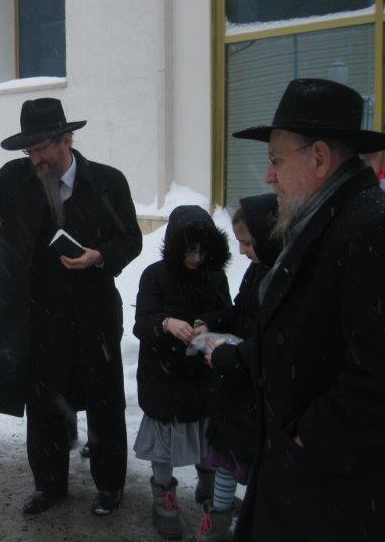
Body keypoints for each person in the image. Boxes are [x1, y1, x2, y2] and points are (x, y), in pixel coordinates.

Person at [0, 98, 143, 516]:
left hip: (93, 313)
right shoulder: (15, 178)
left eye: (42, 147)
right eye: (28, 150)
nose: (35, 158)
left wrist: (97, 256)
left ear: (67, 138)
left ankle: (109, 485)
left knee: (103, 401)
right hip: (37, 315)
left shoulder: (108, 181)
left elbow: (130, 239)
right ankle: (49, 485)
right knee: (44, 403)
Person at [231, 78, 385, 541]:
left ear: (319, 158)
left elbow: (376, 374)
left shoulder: (368, 227)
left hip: (331, 491)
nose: (268, 176)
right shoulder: (325, 217)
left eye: (276, 160)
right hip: (301, 479)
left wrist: (307, 438)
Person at [132, 205, 231, 540]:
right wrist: (166, 323)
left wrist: (210, 322)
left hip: (202, 373)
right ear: (176, 246)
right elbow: (140, 323)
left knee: (207, 433)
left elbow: (226, 311)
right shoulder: (155, 275)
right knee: (165, 441)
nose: (197, 257)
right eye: (190, 249)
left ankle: (208, 484)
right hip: (163, 375)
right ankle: (164, 495)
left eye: (203, 250)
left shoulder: (215, 275)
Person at [185, 194, 280, 542]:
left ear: (270, 237)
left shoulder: (287, 274)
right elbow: (240, 312)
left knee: (254, 460)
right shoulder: (258, 269)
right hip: (238, 383)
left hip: (259, 385)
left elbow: (274, 339)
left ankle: (253, 521)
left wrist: (230, 355)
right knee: (225, 452)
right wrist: (208, 321)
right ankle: (218, 517)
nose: (241, 251)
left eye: (247, 242)